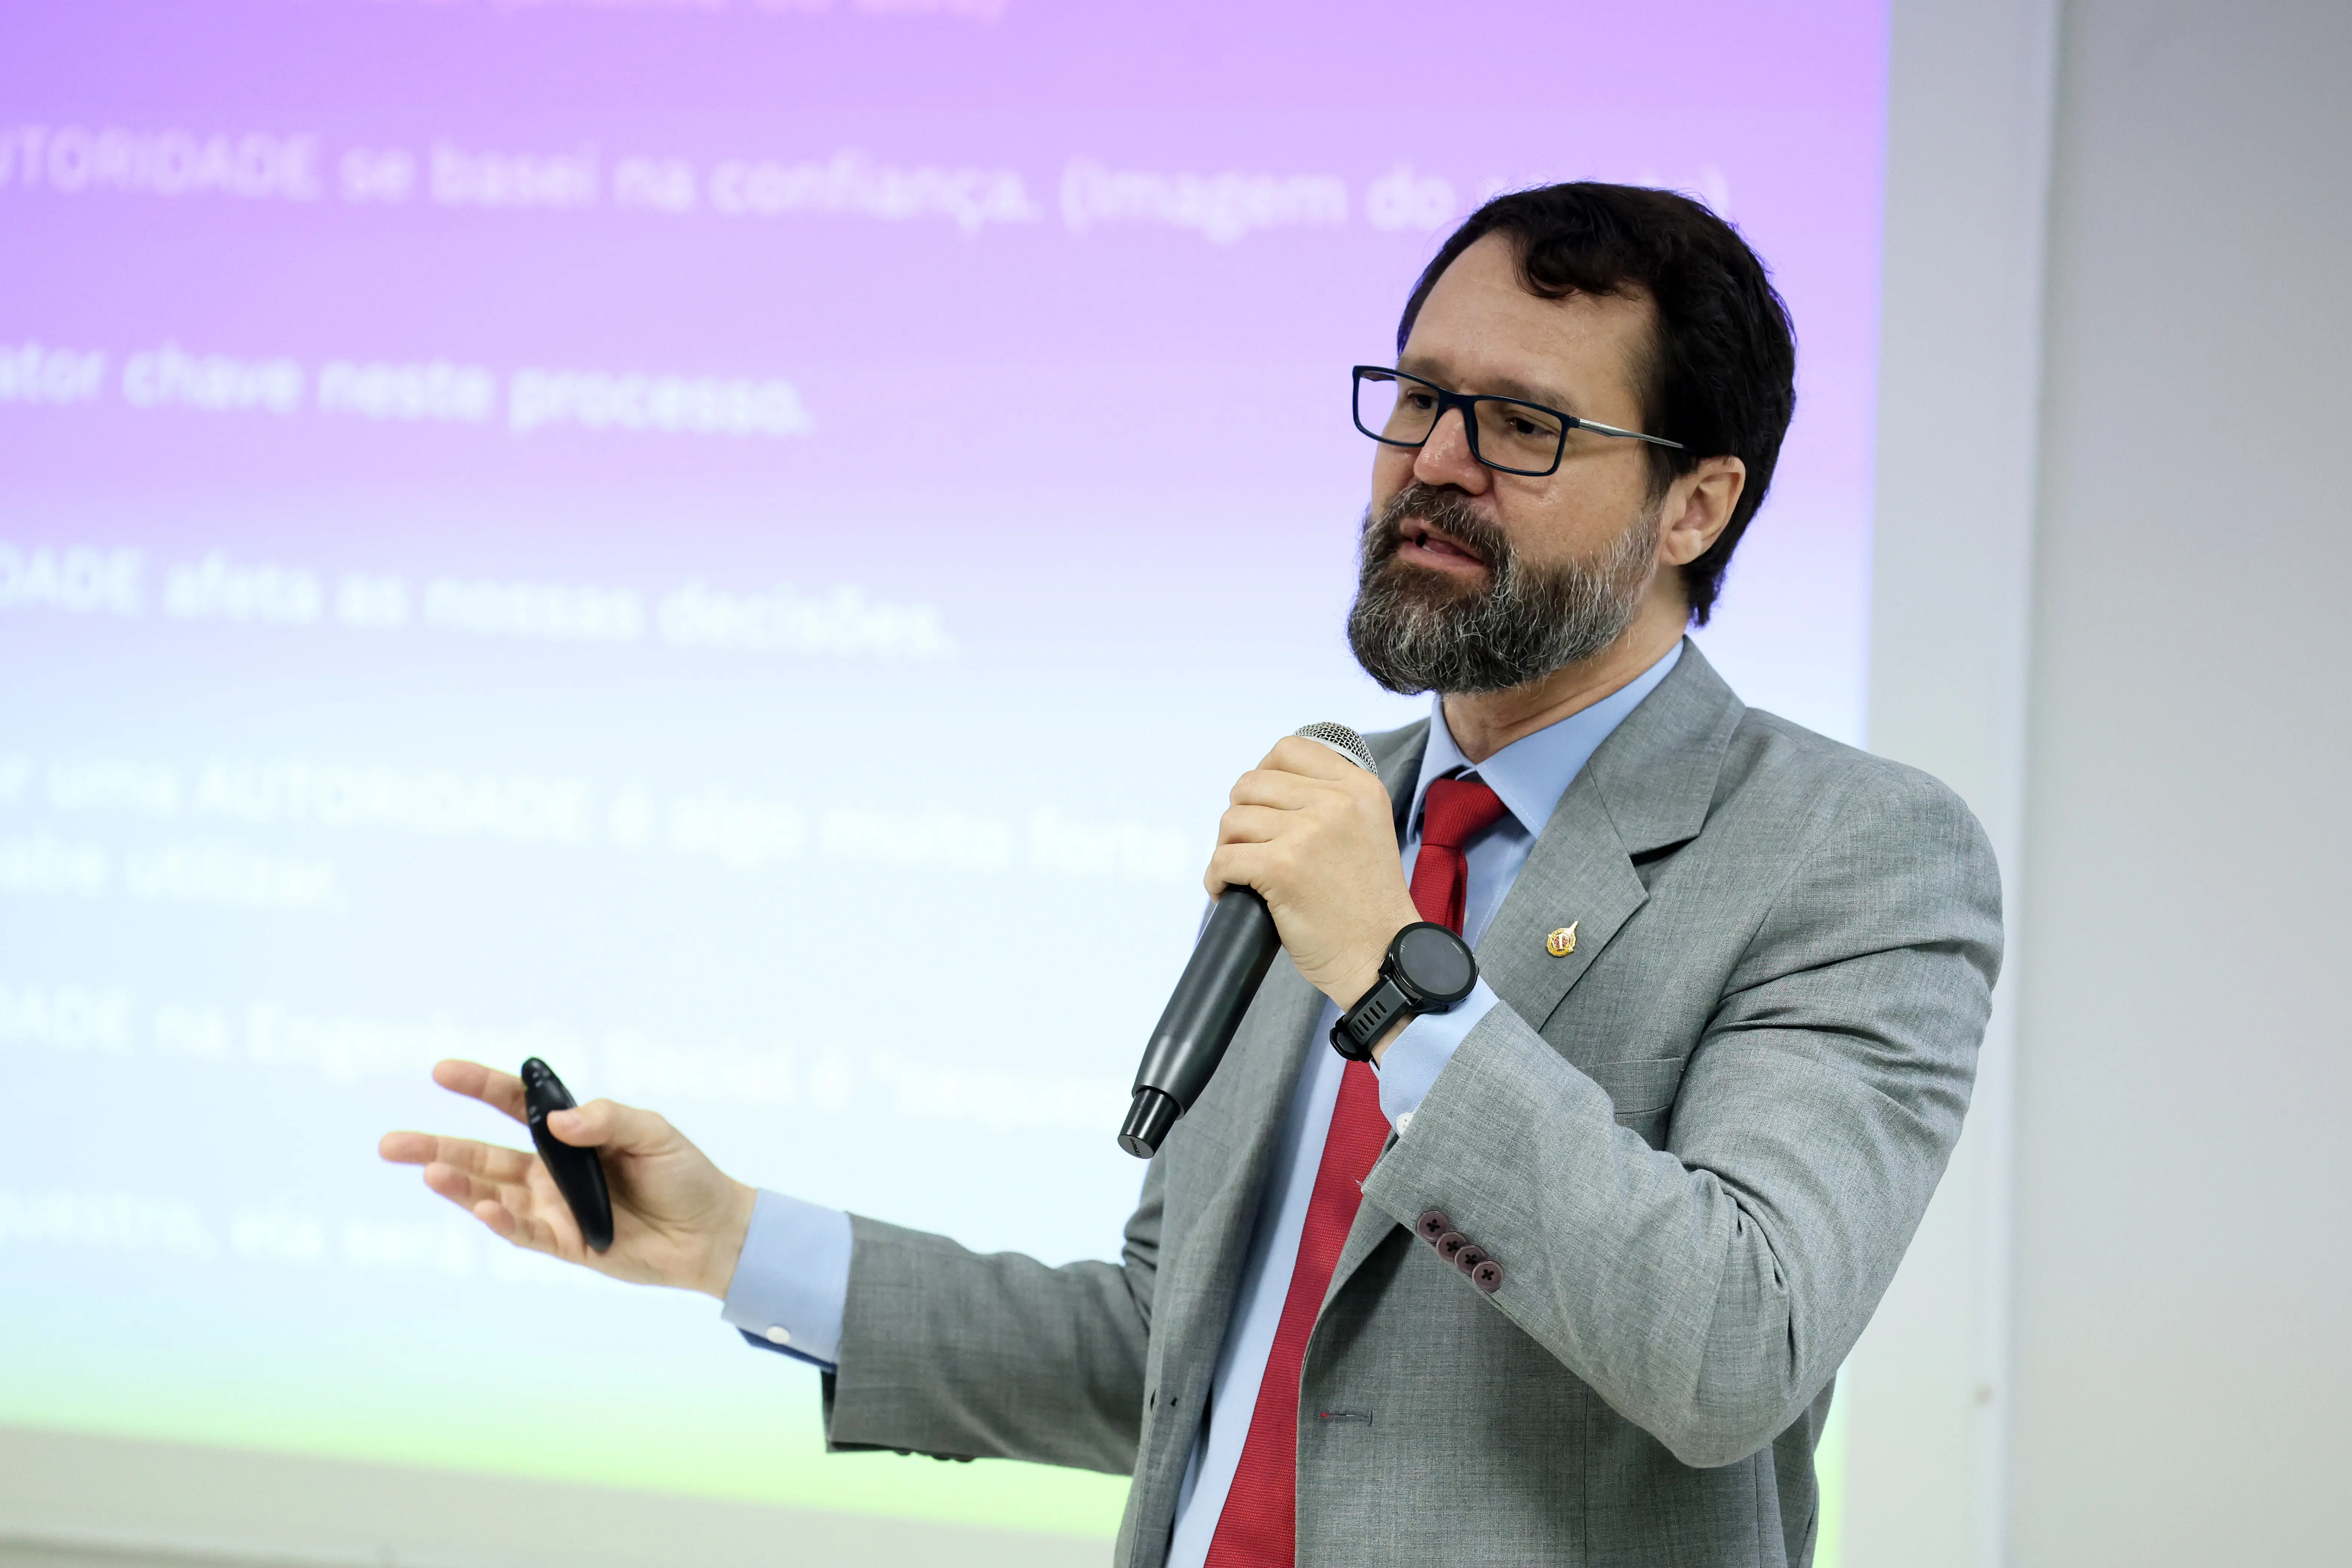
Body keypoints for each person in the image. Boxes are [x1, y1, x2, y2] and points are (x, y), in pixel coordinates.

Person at [382, 182, 2001, 1568]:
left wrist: (1402, 982)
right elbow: (1171, 1354)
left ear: (1695, 506)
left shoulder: (1851, 858)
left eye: (1524, 426)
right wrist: (732, 1240)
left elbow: (1735, 1350)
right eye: (1420, 398)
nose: (1435, 460)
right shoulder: (1342, 813)